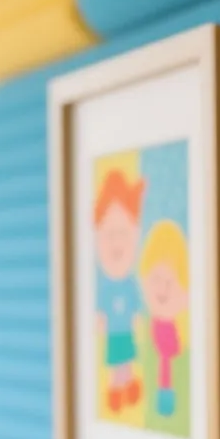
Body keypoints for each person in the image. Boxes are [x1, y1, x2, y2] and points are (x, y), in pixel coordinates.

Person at [94, 166, 146, 412]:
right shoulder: (104, 287)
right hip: (114, 333)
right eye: (109, 235)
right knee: (116, 362)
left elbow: (136, 304)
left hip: (125, 331)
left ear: (134, 236)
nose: (117, 244)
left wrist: (136, 318)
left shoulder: (130, 283)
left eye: (122, 234)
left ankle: (130, 384)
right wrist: (101, 320)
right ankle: (116, 389)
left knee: (128, 359)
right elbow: (101, 309)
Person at [140, 220, 190, 417]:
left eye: (170, 281)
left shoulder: (185, 333)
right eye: (156, 279)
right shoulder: (147, 328)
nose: (162, 289)